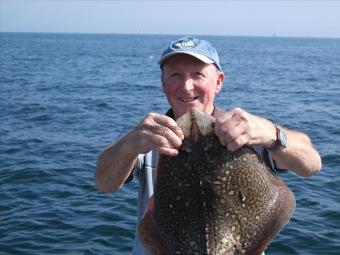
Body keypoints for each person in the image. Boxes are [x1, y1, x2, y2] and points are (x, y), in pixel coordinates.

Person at [94, 36, 322, 255]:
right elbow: (105, 183)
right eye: (175, 75)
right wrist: (129, 145)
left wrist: (272, 133)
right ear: (163, 84)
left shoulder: (246, 133)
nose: (186, 86)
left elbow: (312, 164)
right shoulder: (146, 137)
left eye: (198, 75)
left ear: (219, 82)